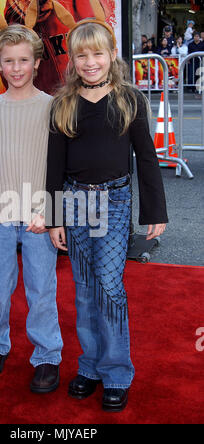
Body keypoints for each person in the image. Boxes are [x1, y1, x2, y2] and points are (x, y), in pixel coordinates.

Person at [46, 14, 168, 412]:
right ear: (73, 61)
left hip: (114, 203)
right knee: (84, 289)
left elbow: (147, 160)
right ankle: (91, 366)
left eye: (97, 53)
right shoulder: (63, 103)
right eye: (81, 55)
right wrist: (55, 217)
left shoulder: (129, 99)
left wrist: (155, 212)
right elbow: (53, 165)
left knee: (109, 286)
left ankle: (116, 371)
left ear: (112, 55)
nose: (89, 62)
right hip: (76, 202)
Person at [0, 24, 63, 393]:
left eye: (24, 60)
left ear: (37, 63)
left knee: (41, 287)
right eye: (9, 61)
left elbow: (60, 167)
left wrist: (51, 212)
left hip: (39, 216)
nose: (17, 67)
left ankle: (47, 355)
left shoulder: (51, 107)